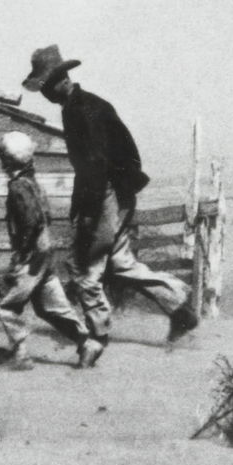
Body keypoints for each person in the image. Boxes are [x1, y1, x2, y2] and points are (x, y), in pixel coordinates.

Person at [21, 45, 199, 356]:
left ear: (62, 79)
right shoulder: (78, 106)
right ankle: (180, 307)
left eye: (47, 85)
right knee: (120, 263)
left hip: (106, 194)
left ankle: (96, 338)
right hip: (114, 192)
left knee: (86, 270)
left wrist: (90, 213)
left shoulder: (84, 110)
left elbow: (96, 165)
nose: (45, 93)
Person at [0, 131, 96, 369]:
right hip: (45, 255)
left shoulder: (18, 187)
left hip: (31, 257)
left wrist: (23, 254)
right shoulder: (34, 183)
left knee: (5, 305)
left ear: (6, 160)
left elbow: (30, 221)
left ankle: (21, 355)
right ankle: (86, 343)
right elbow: (43, 216)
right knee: (52, 306)